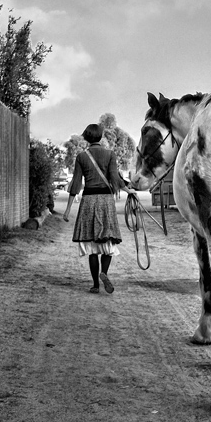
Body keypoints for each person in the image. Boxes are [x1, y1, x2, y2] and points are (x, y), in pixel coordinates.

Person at [63, 123, 135, 294]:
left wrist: (67, 210)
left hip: (88, 201)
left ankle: (95, 284)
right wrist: (128, 190)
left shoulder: (81, 157)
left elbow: (76, 184)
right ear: (101, 137)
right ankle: (104, 273)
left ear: (87, 137)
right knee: (108, 242)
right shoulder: (109, 154)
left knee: (92, 247)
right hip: (105, 202)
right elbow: (115, 179)